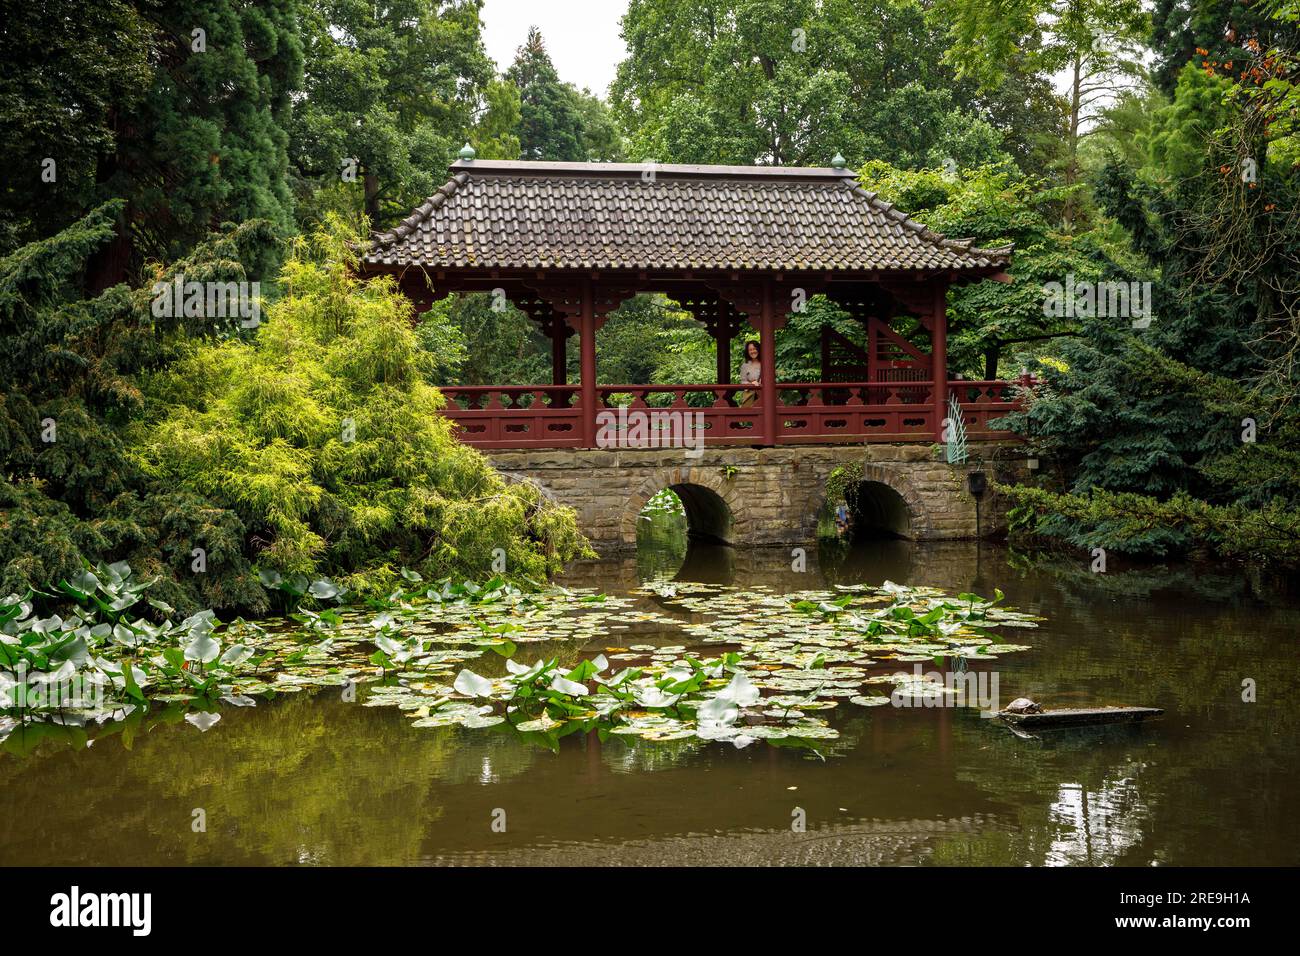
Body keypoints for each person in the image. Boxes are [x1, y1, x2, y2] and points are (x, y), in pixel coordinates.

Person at [738, 340, 762, 407]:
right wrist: (751, 384)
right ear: (747, 352)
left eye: (754, 349)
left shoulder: (765, 363)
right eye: (750, 350)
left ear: (758, 349)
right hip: (750, 396)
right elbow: (743, 382)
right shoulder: (745, 366)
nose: (752, 351)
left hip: (764, 395)